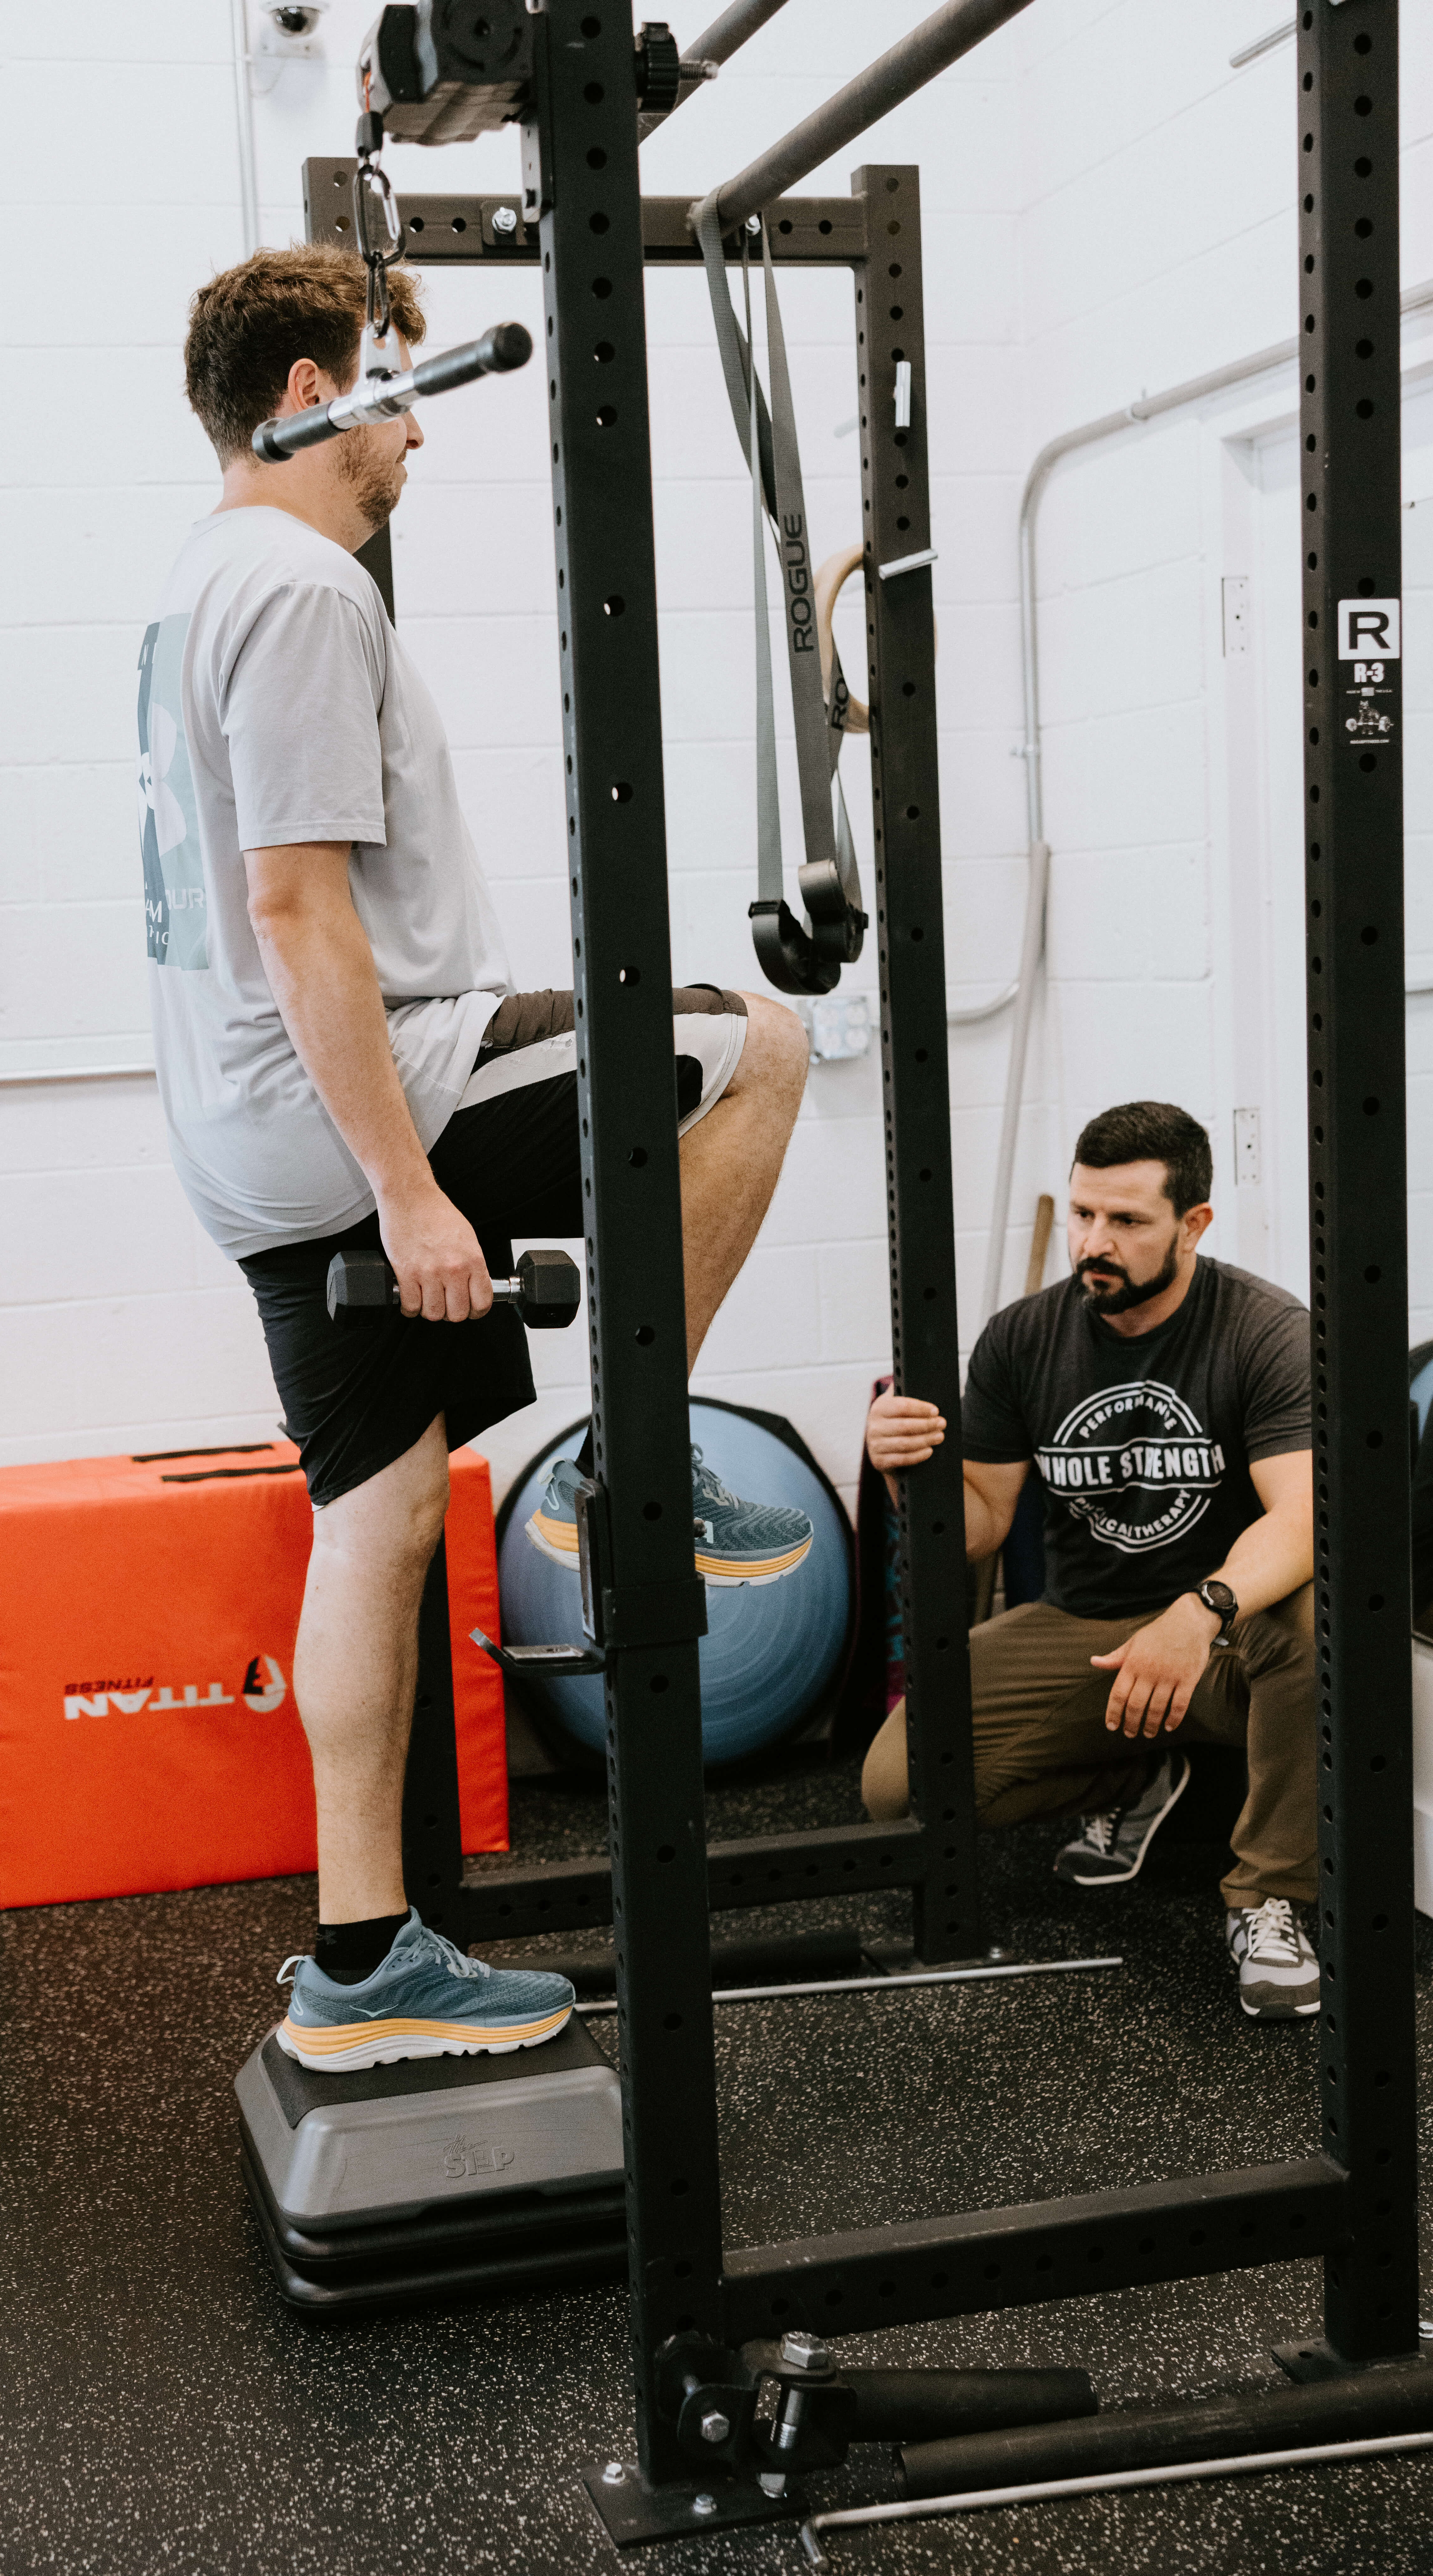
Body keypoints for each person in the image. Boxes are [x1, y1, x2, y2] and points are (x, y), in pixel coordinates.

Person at [138, 245, 812, 2075]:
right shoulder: (296, 585)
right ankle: (637, 1458)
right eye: (390, 387)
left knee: (375, 1511)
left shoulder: (198, 577)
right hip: (366, 1107)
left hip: (256, 1136)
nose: (415, 433)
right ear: (305, 393)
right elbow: (297, 913)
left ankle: (360, 1962)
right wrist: (415, 1190)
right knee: (759, 1044)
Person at [861, 1101, 1318, 2022]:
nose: (1093, 1243)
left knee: (1318, 1622)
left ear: (1194, 1225)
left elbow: (1306, 1519)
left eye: (1127, 1221)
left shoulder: (1265, 1332)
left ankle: (1270, 1896)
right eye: (1083, 1214)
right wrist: (908, 1472)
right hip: (1087, 1625)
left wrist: (1198, 1614)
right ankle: (1148, 1774)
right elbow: (983, 1521)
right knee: (902, 1788)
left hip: (1228, 1635)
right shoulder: (1023, 1338)